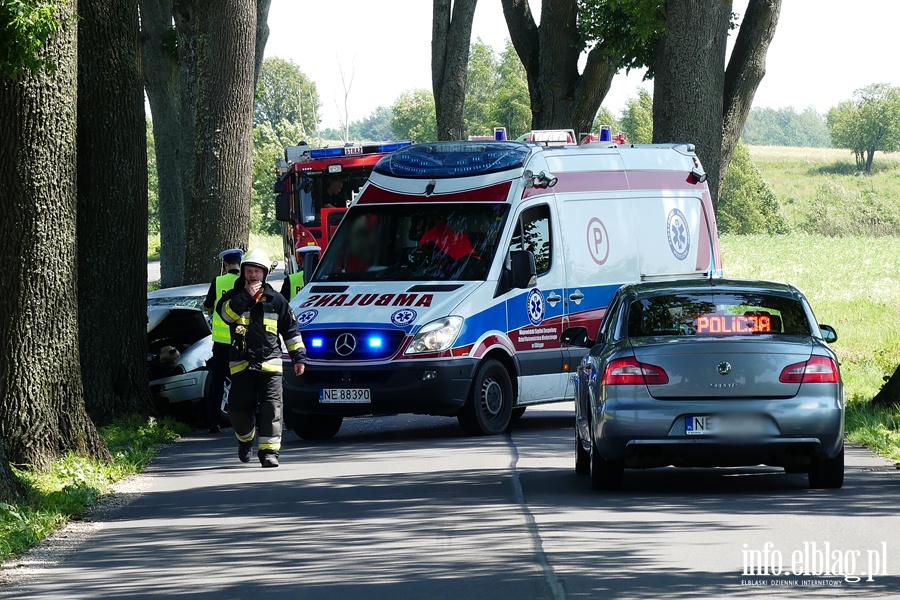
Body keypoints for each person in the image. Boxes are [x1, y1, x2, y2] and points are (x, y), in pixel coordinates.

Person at [218, 249, 306, 468]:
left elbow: (291, 331)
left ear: (264, 274)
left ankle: (269, 453)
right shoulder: (233, 296)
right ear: (243, 272)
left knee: (272, 408)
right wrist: (246, 296)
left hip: (271, 363)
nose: (253, 275)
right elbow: (226, 315)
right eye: (249, 271)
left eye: (257, 271)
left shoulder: (276, 300)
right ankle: (245, 441)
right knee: (238, 409)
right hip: (241, 364)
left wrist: (298, 358)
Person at [202, 248, 242, 433]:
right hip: (241, 341)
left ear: (225, 264)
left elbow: (208, 306)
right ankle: (245, 419)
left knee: (217, 382)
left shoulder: (218, 282)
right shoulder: (244, 282)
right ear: (239, 263)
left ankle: (213, 421)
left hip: (220, 342)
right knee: (242, 381)